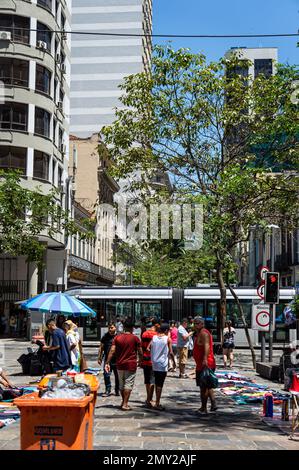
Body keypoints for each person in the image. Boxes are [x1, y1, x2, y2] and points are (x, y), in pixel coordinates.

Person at [105, 318, 143, 411]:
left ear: (124, 327)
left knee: (122, 385)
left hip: (120, 364)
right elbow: (140, 351)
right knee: (128, 384)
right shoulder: (135, 338)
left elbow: (112, 350)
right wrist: (141, 360)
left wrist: (107, 362)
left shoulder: (117, 337)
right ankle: (125, 404)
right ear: (132, 328)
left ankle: (123, 401)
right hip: (130, 364)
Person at [193, 316, 217, 414]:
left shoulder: (204, 333)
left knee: (203, 387)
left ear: (202, 324)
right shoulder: (199, 333)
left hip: (205, 364)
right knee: (207, 385)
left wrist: (205, 359)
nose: (195, 325)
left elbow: (207, 345)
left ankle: (204, 408)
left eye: (198, 323)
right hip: (201, 364)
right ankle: (213, 403)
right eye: (194, 323)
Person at [150, 323, 175, 410]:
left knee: (155, 382)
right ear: (167, 331)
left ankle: (151, 400)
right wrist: (174, 363)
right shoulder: (168, 339)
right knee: (160, 384)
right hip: (162, 364)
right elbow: (171, 352)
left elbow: (148, 348)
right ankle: (157, 403)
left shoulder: (154, 337)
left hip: (154, 363)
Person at [141, 318, 159, 408]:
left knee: (147, 380)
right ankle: (149, 399)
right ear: (156, 325)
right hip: (153, 360)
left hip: (145, 358)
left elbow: (141, 347)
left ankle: (149, 397)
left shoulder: (144, 334)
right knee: (152, 380)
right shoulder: (156, 335)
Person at [98, 322, 120, 397]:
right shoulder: (105, 336)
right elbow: (101, 347)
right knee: (106, 375)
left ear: (115, 328)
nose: (110, 329)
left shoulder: (118, 336)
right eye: (109, 328)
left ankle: (117, 390)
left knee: (117, 376)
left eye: (112, 327)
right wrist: (99, 357)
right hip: (107, 360)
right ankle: (108, 389)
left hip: (117, 360)